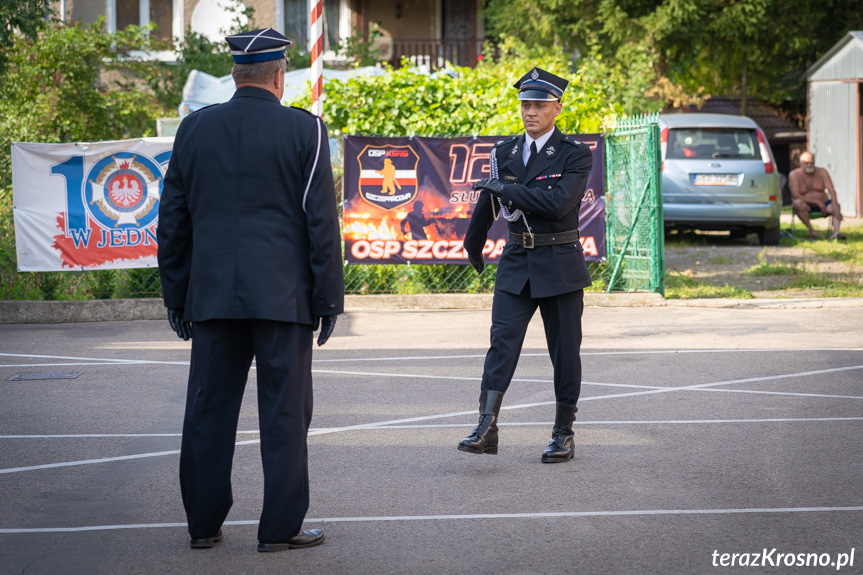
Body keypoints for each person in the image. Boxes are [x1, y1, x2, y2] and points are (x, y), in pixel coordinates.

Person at [157, 28, 344, 552]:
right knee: (284, 416)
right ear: (280, 75)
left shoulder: (194, 130)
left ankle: (203, 525)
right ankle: (279, 528)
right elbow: (320, 223)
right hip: (284, 300)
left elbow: (172, 221)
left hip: (212, 297)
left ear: (236, 72)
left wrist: (176, 293)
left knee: (208, 412)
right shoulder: (304, 131)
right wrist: (328, 299)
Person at [459, 67, 593, 463]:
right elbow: (488, 200)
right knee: (501, 343)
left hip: (559, 262)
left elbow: (558, 204)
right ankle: (487, 427)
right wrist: (474, 239)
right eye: (524, 104)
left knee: (565, 352)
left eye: (538, 104)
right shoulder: (505, 152)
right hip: (517, 260)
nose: (529, 111)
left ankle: (563, 433)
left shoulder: (574, 154)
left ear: (557, 107)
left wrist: (510, 190)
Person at [789, 151, 845, 240]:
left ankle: (837, 233)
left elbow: (831, 190)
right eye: (806, 163)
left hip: (824, 204)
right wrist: (817, 202)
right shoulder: (794, 175)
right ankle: (812, 232)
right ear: (800, 163)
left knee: (835, 206)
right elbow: (796, 195)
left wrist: (835, 204)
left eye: (812, 163)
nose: (809, 166)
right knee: (797, 203)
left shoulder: (822, 172)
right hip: (806, 205)